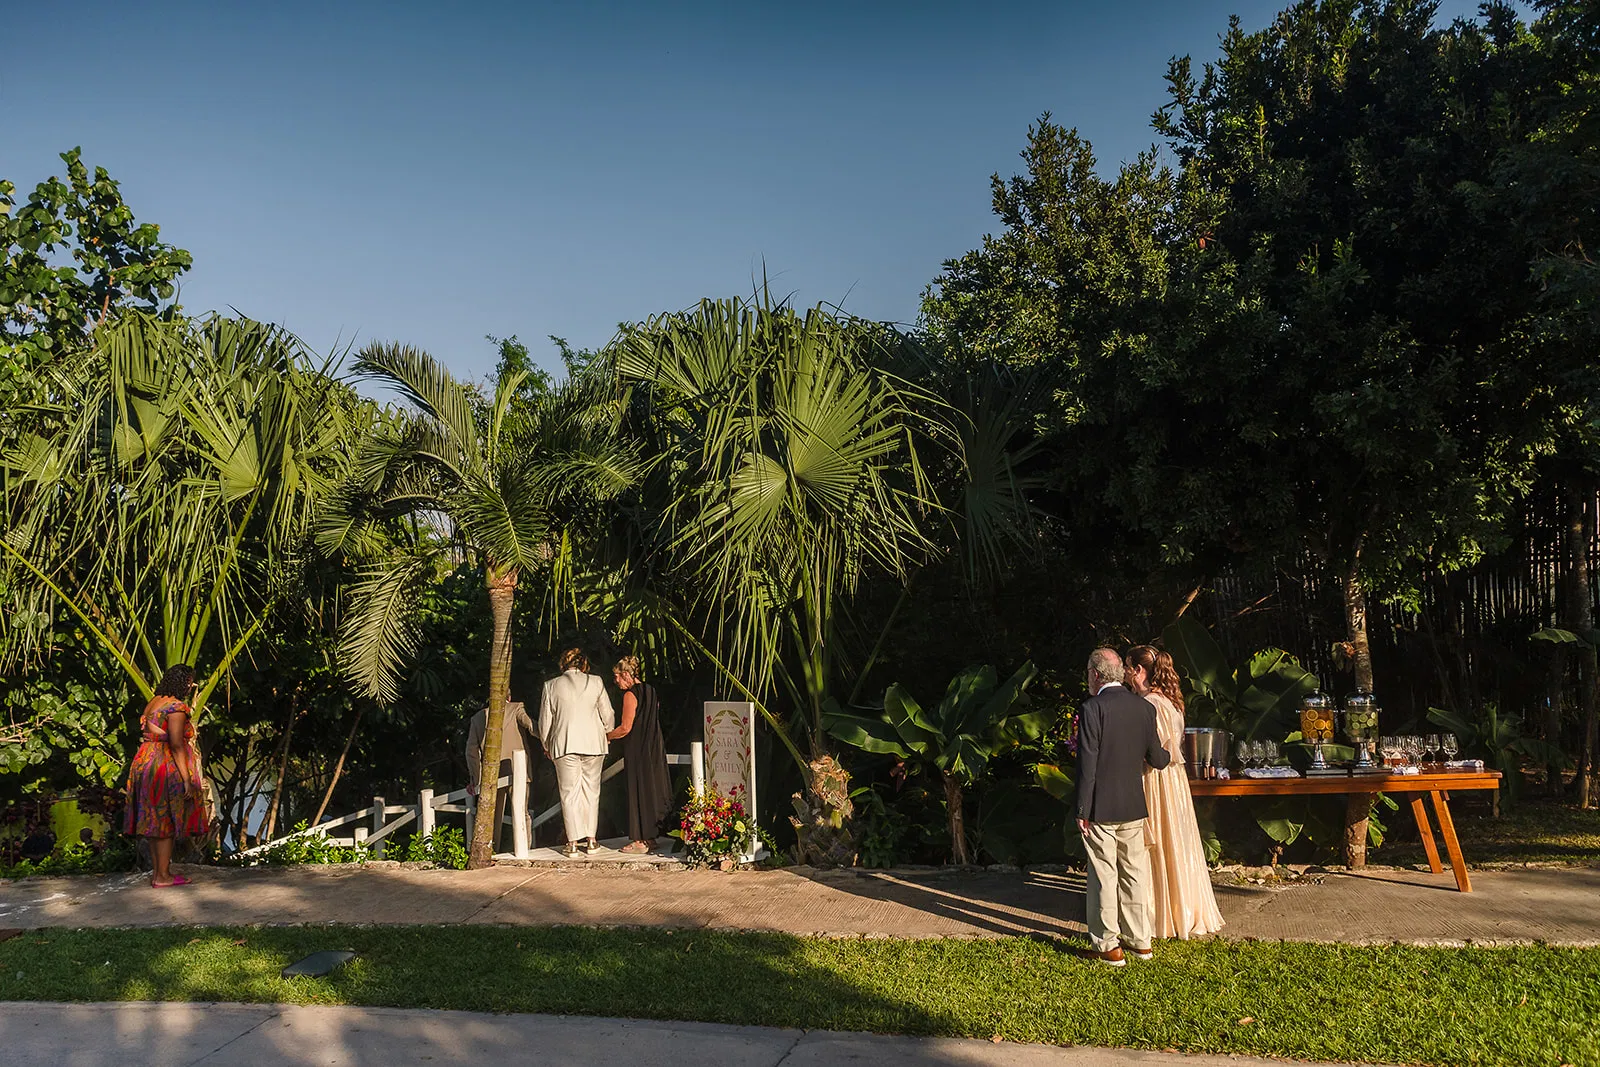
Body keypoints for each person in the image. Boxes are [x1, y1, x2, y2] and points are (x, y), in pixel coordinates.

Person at [1075, 647, 1171, 966]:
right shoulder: (1143, 708)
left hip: (1100, 807)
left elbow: (1087, 765)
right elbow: (1158, 758)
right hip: (1133, 804)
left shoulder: (1092, 708)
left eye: (1089, 672)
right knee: (1134, 874)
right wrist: (1173, 755)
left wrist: (1082, 809)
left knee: (1103, 875)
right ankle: (1141, 942)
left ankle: (1107, 946)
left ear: (1096, 674)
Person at [1125, 645, 1226, 941]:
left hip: (1154, 780)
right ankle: (1180, 906)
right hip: (1174, 782)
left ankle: (1157, 913)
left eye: (1129, 667)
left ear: (1139, 671)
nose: (1127, 674)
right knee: (1175, 841)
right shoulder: (1170, 701)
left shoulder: (1150, 704)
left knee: (1156, 839)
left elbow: (1151, 753)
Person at [124, 665, 209, 888]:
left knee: (153, 818)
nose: (192, 687)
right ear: (185, 684)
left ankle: (158, 873)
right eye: (191, 682)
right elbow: (176, 744)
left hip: (145, 761)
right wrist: (187, 779)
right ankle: (163, 876)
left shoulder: (155, 700)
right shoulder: (176, 708)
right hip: (163, 764)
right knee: (164, 819)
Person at [539, 648, 615, 856]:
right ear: (584, 664)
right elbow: (607, 715)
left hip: (564, 744)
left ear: (563, 664)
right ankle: (591, 840)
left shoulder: (551, 686)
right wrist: (607, 732)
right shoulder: (596, 682)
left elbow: (545, 721)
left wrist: (546, 745)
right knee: (592, 790)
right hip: (593, 744)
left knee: (569, 792)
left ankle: (572, 842)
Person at [608, 654, 673, 854]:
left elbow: (626, 727)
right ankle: (651, 836)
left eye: (617, 676)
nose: (616, 681)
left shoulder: (630, 695)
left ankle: (639, 839)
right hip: (654, 746)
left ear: (626, 675)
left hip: (638, 746)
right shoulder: (651, 691)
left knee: (638, 790)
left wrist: (606, 736)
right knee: (651, 789)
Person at [465, 700, 536, 853]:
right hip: (517, 769)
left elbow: (471, 751)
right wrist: (548, 741)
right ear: (509, 698)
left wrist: (475, 779)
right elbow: (530, 725)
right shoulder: (516, 709)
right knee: (522, 812)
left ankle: (491, 851)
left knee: (492, 816)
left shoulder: (478, 718)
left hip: (492, 774)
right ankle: (525, 849)